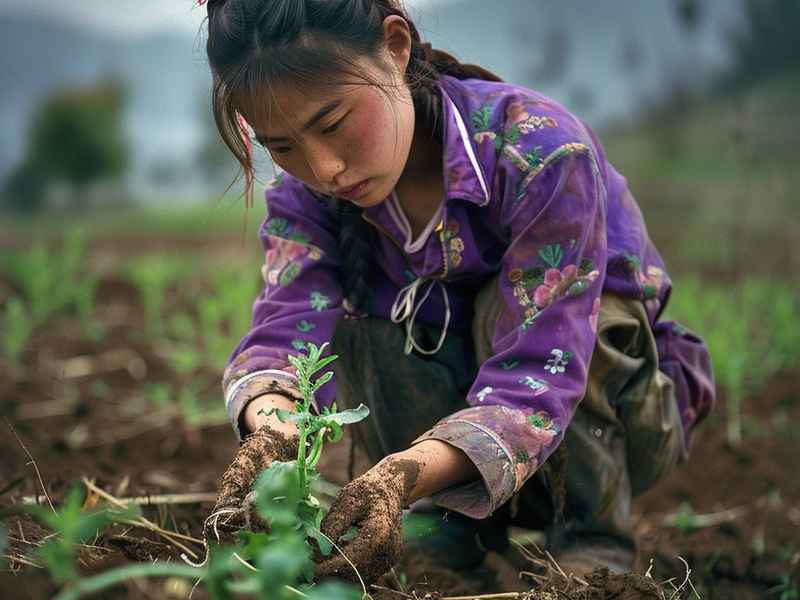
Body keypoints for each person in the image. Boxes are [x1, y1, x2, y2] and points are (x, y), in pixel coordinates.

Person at [200, 0, 715, 583]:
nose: (326, 169)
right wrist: (273, 431)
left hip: (611, 421)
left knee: (536, 309)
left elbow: (541, 371)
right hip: (455, 459)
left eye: (333, 123)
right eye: (283, 146)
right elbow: (286, 326)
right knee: (363, 320)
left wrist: (402, 474)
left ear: (394, 47)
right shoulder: (306, 198)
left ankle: (595, 541)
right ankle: (444, 533)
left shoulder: (540, 156)